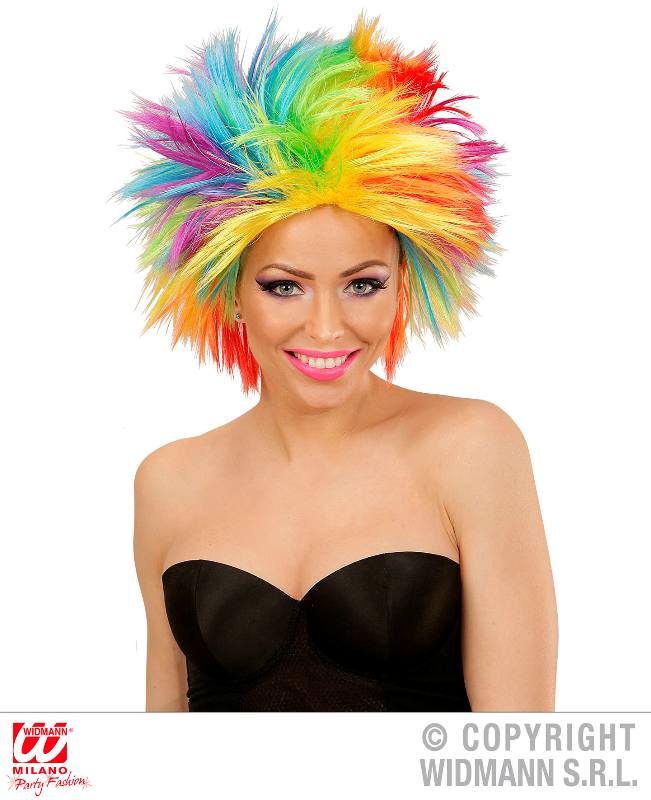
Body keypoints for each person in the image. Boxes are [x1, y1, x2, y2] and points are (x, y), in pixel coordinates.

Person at [113, 9, 558, 711]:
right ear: (231, 294)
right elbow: (156, 742)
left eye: (362, 285)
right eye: (283, 286)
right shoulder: (168, 480)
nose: (326, 327)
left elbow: (521, 751)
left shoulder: (471, 447)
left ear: (401, 286)